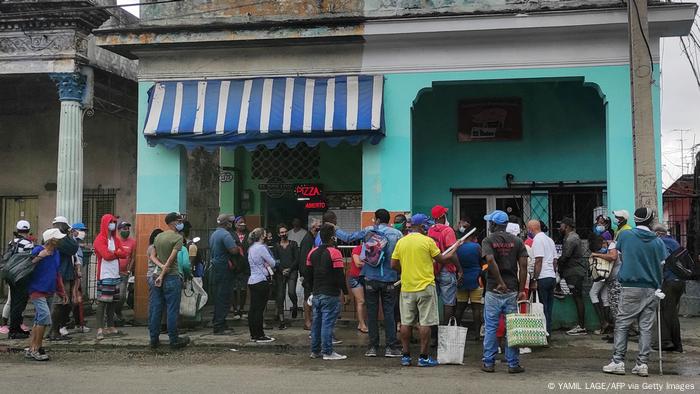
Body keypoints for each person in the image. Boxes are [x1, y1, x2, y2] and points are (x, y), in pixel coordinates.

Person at [391, 213, 462, 367]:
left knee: (406, 322)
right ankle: (423, 357)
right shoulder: (428, 241)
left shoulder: (401, 242)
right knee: (426, 322)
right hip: (425, 287)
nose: (428, 227)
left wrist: (405, 271)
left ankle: (406, 356)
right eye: (427, 225)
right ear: (422, 226)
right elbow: (442, 259)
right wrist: (455, 247)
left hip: (407, 287)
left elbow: (393, 264)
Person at [603, 207, 666, 377]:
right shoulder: (658, 241)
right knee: (646, 327)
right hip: (652, 288)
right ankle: (642, 364)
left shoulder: (625, 235)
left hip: (630, 286)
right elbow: (661, 265)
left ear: (636, 220)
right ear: (651, 221)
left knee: (623, 324)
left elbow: (619, 255)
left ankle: (618, 361)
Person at [480, 210, 528, 374]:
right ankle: (513, 364)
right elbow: (523, 267)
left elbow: (490, 260)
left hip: (494, 289)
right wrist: (522, 290)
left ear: (493, 224)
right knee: (512, 328)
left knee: (491, 327)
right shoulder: (517, 241)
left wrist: (499, 282)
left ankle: (488, 363)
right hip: (512, 289)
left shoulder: (488, 240)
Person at [362, 209, 403, 358]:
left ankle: (372, 347)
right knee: (389, 313)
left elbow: (349, 238)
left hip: (370, 278)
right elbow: (400, 256)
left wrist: (334, 229)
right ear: (388, 219)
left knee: (372, 314)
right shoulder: (397, 234)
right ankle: (390, 347)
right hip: (390, 278)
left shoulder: (368, 231)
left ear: (377, 220)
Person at [306, 224, 350, 360]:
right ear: (332, 237)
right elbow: (339, 276)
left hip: (316, 293)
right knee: (327, 324)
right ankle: (328, 352)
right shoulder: (334, 253)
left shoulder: (312, 252)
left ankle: (315, 351)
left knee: (316, 323)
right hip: (330, 293)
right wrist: (346, 292)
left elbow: (307, 274)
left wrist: (311, 290)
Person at [25, 228, 68, 361]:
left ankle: (33, 347)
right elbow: (27, 266)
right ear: (51, 240)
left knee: (39, 319)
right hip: (36, 289)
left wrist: (62, 291)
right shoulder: (38, 250)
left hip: (49, 290)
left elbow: (57, 274)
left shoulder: (56, 253)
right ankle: (37, 348)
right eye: (58, 238)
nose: (60, 240)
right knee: (44, 317)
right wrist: (40, 257)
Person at [149, 212, 190, 349]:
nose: (181, 223)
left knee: (156, 309)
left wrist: (160, 269)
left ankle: (153, 339)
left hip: (157, 276)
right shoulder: (177, 238)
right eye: (179, 221)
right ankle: (174, 340)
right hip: (171, 277)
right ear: (173, 222)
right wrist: (164, 270)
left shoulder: (159, 236)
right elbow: (171, 259)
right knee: (172, 310)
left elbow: (152, 256)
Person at [93, 214, 129, 341]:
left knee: (113, 302)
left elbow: (125, 254)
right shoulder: (99, 239)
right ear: (105, 223)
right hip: (105, 274)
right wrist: (117, 253)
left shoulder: (116, 240)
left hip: (115, 274)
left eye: (114, 222)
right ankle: (99, 328)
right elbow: (105, 255)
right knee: (103, 302)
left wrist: (115, 253)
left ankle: (111, 326)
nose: (113, 224)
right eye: (111, 222)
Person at [428, 205, 463, 324]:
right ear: (443, 217)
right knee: (448, 303)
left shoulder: (430, 230)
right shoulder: (448, 231)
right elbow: (452, 253)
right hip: (447, 270)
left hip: (433, 269)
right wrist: (460, 269)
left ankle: (434, 334)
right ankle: (445, 331)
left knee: (432, 303)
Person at [654, 224, 685, 352]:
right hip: (680, 282)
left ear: (659, 233)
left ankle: (668, 342)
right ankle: (675, 343)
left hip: (669, 281)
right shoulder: (674, 242)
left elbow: (661, 261)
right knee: (672, 313)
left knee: (665, 313)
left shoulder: (662, 242)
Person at [47, 216, 79, 341]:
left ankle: (55, 330)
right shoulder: (58, 237)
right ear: (63, 225)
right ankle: (54, 331)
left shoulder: (58, 236)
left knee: (65, 304)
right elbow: (73, 248)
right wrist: (70, 234)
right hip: (61, 275)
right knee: (60, 304)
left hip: (65, 273)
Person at [209, 214, 241, 335]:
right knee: (224, 297)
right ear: (226, 223)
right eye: (230, 222)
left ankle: (218, 322)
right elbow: (233, 250)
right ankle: (219, 325)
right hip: (224, 268)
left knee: (218, 296)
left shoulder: (214, 234)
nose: (231, 224)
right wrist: (238, 248)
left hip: (216, 267)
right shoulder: (225, 234)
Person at [1, 220, 34, 338]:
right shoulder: (28, 244)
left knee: (14, 301)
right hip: (21, 276)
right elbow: (30, 260)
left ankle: (14, 328)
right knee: (19, 303)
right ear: (28, 230)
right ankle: (15, 330)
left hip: (11, 275)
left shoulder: (12, 242)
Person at [557, 217, 588, 336]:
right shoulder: (571, 238)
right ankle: (581, 326)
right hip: (573, 271)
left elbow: (565, 257)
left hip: (574, 272)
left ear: (567, 226)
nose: (560, 228)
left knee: (577, 297)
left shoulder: (571, 239)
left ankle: (581, 326)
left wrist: (558, 265)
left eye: (562, 225)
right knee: (577, 297)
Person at [527, 220, 557, 337]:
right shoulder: (550, 240)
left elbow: (538, 260)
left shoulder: (537, 240)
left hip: (542, 277)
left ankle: (542, 334)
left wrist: (534, 279)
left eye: (528, 229)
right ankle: (548, 332)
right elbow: (555, 261)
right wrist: (553, 274)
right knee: (548, 308)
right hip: (551, 277)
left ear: (531, 229)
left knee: (541, 307)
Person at [247, 228, 276, 343]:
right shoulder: (262, 248)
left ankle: (253, 334)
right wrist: (267, 264)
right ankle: (260, 334)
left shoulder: (251, 248)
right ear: (262, 236)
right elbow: (273, 263)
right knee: (259, 309)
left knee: (253, 308)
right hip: (261, 280)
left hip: (252, 280)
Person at [589, 228, 619, 336]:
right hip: (609, 277)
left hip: (605, 275)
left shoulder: (611, 246)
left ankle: (604, 322)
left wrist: (596, 255)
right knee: (605, 298)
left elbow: (612, 257)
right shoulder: (612, 246)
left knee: (592, 294)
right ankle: (608, 325)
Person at [454, 230, 483, 340]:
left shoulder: (458, 247)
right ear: (473, 237)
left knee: (460, 307)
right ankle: (477, 334)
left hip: (462, 279)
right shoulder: (477, 247)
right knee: (476, 308)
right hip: (476, 279)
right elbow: (482, 260)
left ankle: (455, 331)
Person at [272, 223, 300, 329]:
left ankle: (295, 305)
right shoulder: (276, 246)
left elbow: (296, 259)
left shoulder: (293, 244)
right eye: (282, 232)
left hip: (292, 271)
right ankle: (282, 321)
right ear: (278, 234)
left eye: (285, 232)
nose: (284, 234)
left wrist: (289, 269)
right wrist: (281, 270)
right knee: (280, 296)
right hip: (280, 272)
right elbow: (275, 260)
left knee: (291, 292)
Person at [299, 220, 321, 330]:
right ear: (313, 228)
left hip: (311, 273)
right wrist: (305, 275)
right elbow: (304, 259)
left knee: (311, 297)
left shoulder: (313, 239)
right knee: (308, 297)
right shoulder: (308, 240)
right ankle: (307, 321)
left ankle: (310, 320)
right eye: (318, 227)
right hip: (308, 274)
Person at [114, 221, 136, 325]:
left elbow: (132, 257)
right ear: (119, 230)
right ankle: (112, 315)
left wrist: (129, 270)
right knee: (112, 295)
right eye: (124, 228)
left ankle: (118, 312)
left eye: (128, 229)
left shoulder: (132, 242)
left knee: (122, 296)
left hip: (124, 274)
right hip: (113, 273)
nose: (126, 230)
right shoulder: (115, 241)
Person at [70, 223, 89, 333]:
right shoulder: (72, 243)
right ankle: (70, 323)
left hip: (78, 275)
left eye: (84, 230)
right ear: (74, 231)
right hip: (74, 276)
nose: (83, 233)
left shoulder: (76, 244)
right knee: (74, 301)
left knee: (78, 301)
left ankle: (79, 323)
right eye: (81, 230)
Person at [231, 216, 250, 319]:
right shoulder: (231, 235)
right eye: (240, 222)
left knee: (243, 288)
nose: (242, 224)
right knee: (234, 288)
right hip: (234, 266)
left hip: (245, 266)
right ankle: (235, 310)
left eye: (243, 222)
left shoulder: (249, 235)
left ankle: (241, 309)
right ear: (235, 224)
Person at [349, 244, 368, 333]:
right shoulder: (358, 249)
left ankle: (361, 323)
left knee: (364, 302)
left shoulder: (372, 250)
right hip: (356, 277)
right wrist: (371, 264)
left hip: (365, 277)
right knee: (361, 301)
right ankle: (362, 324)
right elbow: (358, 263)